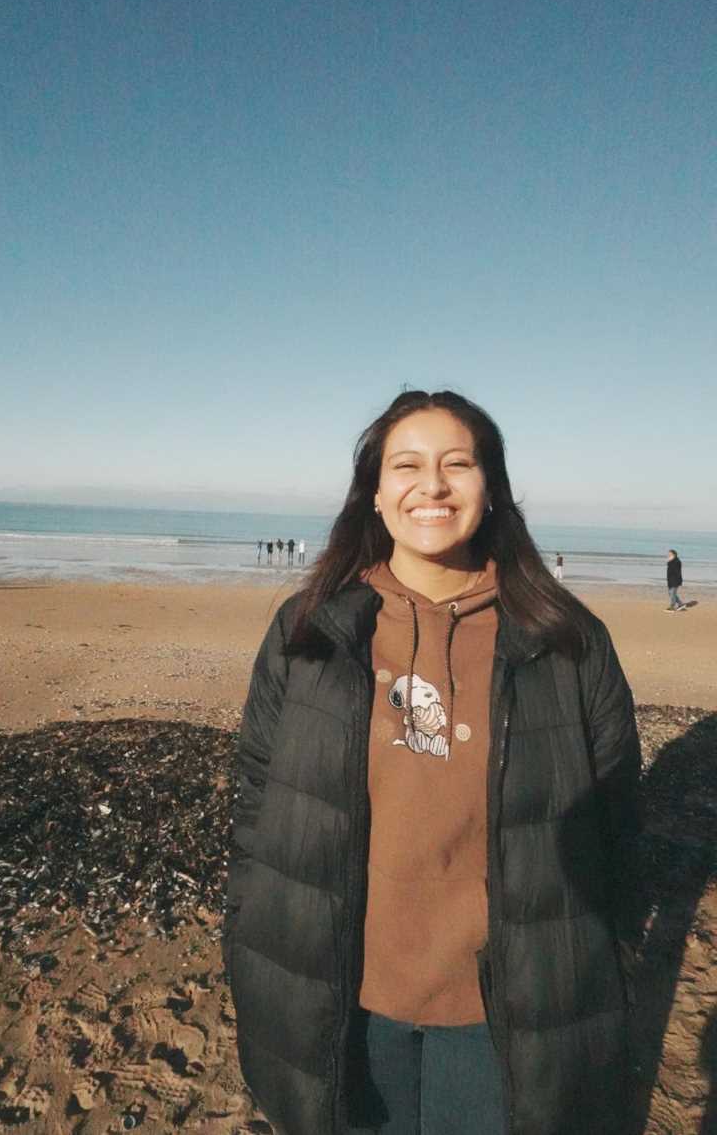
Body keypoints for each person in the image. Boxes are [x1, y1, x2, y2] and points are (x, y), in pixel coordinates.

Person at [224, 389, 641, 1135]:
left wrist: (599, 958)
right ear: (376, 494)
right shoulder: (309, 631)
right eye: (407, 465)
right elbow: (257, 802)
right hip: (342, 1000)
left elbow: (615, 828)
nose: (434, 486)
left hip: (504, 1015)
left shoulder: (568, 643)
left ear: (492, 488)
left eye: (458, 464)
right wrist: (249, 933)